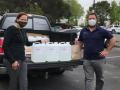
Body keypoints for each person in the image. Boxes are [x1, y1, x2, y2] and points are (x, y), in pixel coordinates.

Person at [76, 12, 116, 90]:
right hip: (87, 60)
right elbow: (80, 41)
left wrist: (107, 51)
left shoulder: (101, 30)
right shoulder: (83, 31)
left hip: (99, 60)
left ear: (96, 20)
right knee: (88, 79)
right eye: (90, 18)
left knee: (100, 79)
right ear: (87, 20)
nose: (91, 20)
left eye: (93, 18)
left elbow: (113, 39)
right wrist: (77, 52)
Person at [3, 12, 33, 90]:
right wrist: (13, 61)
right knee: (14, 82)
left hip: (22, 59)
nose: (24, 21)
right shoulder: (11, 29)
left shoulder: (23, 30)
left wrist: (40, 41)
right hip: (12, 60)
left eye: (25, 20)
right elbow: (5, 46)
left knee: (24, 81)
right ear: (17, 19)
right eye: (22, 19)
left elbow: (27, 43)